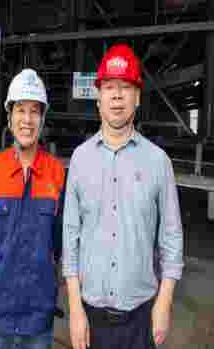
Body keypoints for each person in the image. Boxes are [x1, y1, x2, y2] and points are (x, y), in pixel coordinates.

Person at [62, 44, 184, 349]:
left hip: (142, 317)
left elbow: (171, 238)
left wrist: (164, 303)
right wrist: (75, 310)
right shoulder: (79, 160)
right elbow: (70, 240)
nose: (117, 95)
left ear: (138, 97)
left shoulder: (158, 162)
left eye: (126, 87)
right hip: (91, 315)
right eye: (109, 87)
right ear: (98, 97)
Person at [0, 68, 65, 349]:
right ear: (9, 117)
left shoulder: (57, 174)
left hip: (38, 316)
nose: (27, 119)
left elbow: (58, 243)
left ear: (43, 119)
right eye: (20, 110)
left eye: (34, 111)